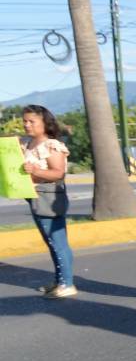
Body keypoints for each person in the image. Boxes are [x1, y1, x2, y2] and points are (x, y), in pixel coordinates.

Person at [19, 105, 76, 299]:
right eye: (24, 121)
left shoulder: (51, 145)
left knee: (58, 242)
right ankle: (60, 280)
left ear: (45, 123)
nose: (27, 125)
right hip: (36, 197)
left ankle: (67, 284)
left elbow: (58, 172)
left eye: (31, 121)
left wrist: (35, 171)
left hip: (49, 197)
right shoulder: (30, 143)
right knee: (51, 242)